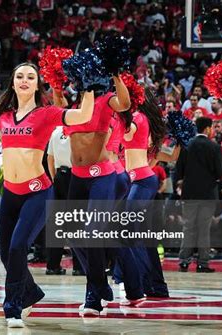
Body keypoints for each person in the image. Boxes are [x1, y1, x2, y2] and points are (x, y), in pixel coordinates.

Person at [0, 62, 95, 328]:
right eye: (19, 76)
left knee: (18, 248)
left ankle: (13, 307)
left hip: (38, 193)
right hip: (11, 195)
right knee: (7, 255)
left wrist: (88, 87)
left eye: (30, 76)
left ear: (38, 83)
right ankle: (31, 294)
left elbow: (84, 115)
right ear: (13, 82)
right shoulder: (3, 115)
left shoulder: (47, 113)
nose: (24, 80)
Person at [54, 74, 131, 315]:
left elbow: (126, 104)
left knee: (92, 233)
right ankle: (99, 283)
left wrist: (117, 74)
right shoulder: (76, 108)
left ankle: (93, 298)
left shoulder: (107, 99)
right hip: (77, 176)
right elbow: (58, 104)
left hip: (102, 176)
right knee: (71, 232)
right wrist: (56, 79)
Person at [122, 88, 170, 299]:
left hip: (142, 180)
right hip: (134, 180)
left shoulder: (138, 118)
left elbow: (126, 131)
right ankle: (156, 287)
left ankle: (141, 283)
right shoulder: (137, 118)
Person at [176, 117, 222, 272]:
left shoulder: (186, 145)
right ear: (208, 129)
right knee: (204, 229)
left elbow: (179, 171)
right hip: (208, 194)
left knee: (188, 227)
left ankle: (183, 261)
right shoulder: (214, 147)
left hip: (189, 193)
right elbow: (219, 173)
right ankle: (202, 263)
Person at [46, 126, 83, 276]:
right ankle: (79, 267)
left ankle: (52, 266)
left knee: (57, 224)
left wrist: (54, 177)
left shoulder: (54, 132)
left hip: (59, 177)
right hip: (74, 176)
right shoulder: (77, 131)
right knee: (76, 222)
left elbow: (50, 157)